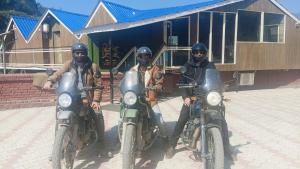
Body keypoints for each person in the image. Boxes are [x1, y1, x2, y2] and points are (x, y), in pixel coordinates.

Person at [43, 42, 104, 140]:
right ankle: (58, 143)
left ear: (86, 53)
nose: (79, 55)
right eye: (77, 53)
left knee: (97, 114)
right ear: (73, 53)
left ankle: (101, 141)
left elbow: (98, 85)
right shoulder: (69, 64)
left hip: (87, 96)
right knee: (60, 111)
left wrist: (96, 100)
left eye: (82, 53)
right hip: (72, 95)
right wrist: (50, 80)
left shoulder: (92, 66)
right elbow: (58, 73)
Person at [165, 42, 216, 158]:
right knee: (182, 120)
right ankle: (171, 146)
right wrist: (186, 97)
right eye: (196, 52)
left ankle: (226, 149)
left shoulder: (210, 65)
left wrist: (218, 89)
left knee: (220, 119)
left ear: (205, 53)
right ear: (193, 53)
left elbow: (215, 79)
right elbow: (182, 82)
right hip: (192, 98)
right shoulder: (187, 65)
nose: (199, 54)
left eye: (201, 52)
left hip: (206, 97)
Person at [130, 46, 168, 139]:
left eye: (146, 56)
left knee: (160, 121)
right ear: (138, 57)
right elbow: (128, 81)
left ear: (150, 57)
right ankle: (122, 139)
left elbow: (159, 82)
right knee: (124, 117)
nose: (144, 58)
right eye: (142, 56)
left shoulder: (155, 69)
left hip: (149, 100)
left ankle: (165, 138)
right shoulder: (133, 69)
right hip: (136, 100)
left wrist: (156, 87)